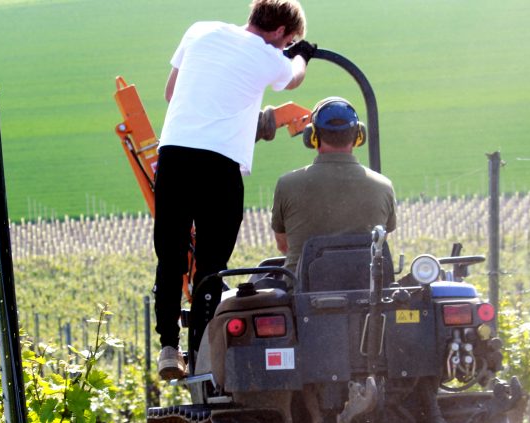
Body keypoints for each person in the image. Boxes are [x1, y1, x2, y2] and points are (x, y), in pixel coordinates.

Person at [153, 0, 316, 380]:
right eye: (286, 41)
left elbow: (171, 93)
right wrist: (301, 53)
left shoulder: (199, 30)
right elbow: (294, 77)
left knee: (171, 257)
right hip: (219, 167)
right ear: (280, 33)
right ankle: (202, 354)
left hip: (174, 157)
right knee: (211, 266)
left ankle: (167, 346)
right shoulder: (272, 57)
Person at [271, 97, 397, 288]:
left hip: (300, 297)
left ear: (312, 136)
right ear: (358, 136)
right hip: (369, 294)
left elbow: (284, 245)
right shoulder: (383, 186)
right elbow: (381, 238)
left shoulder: (287, 184)